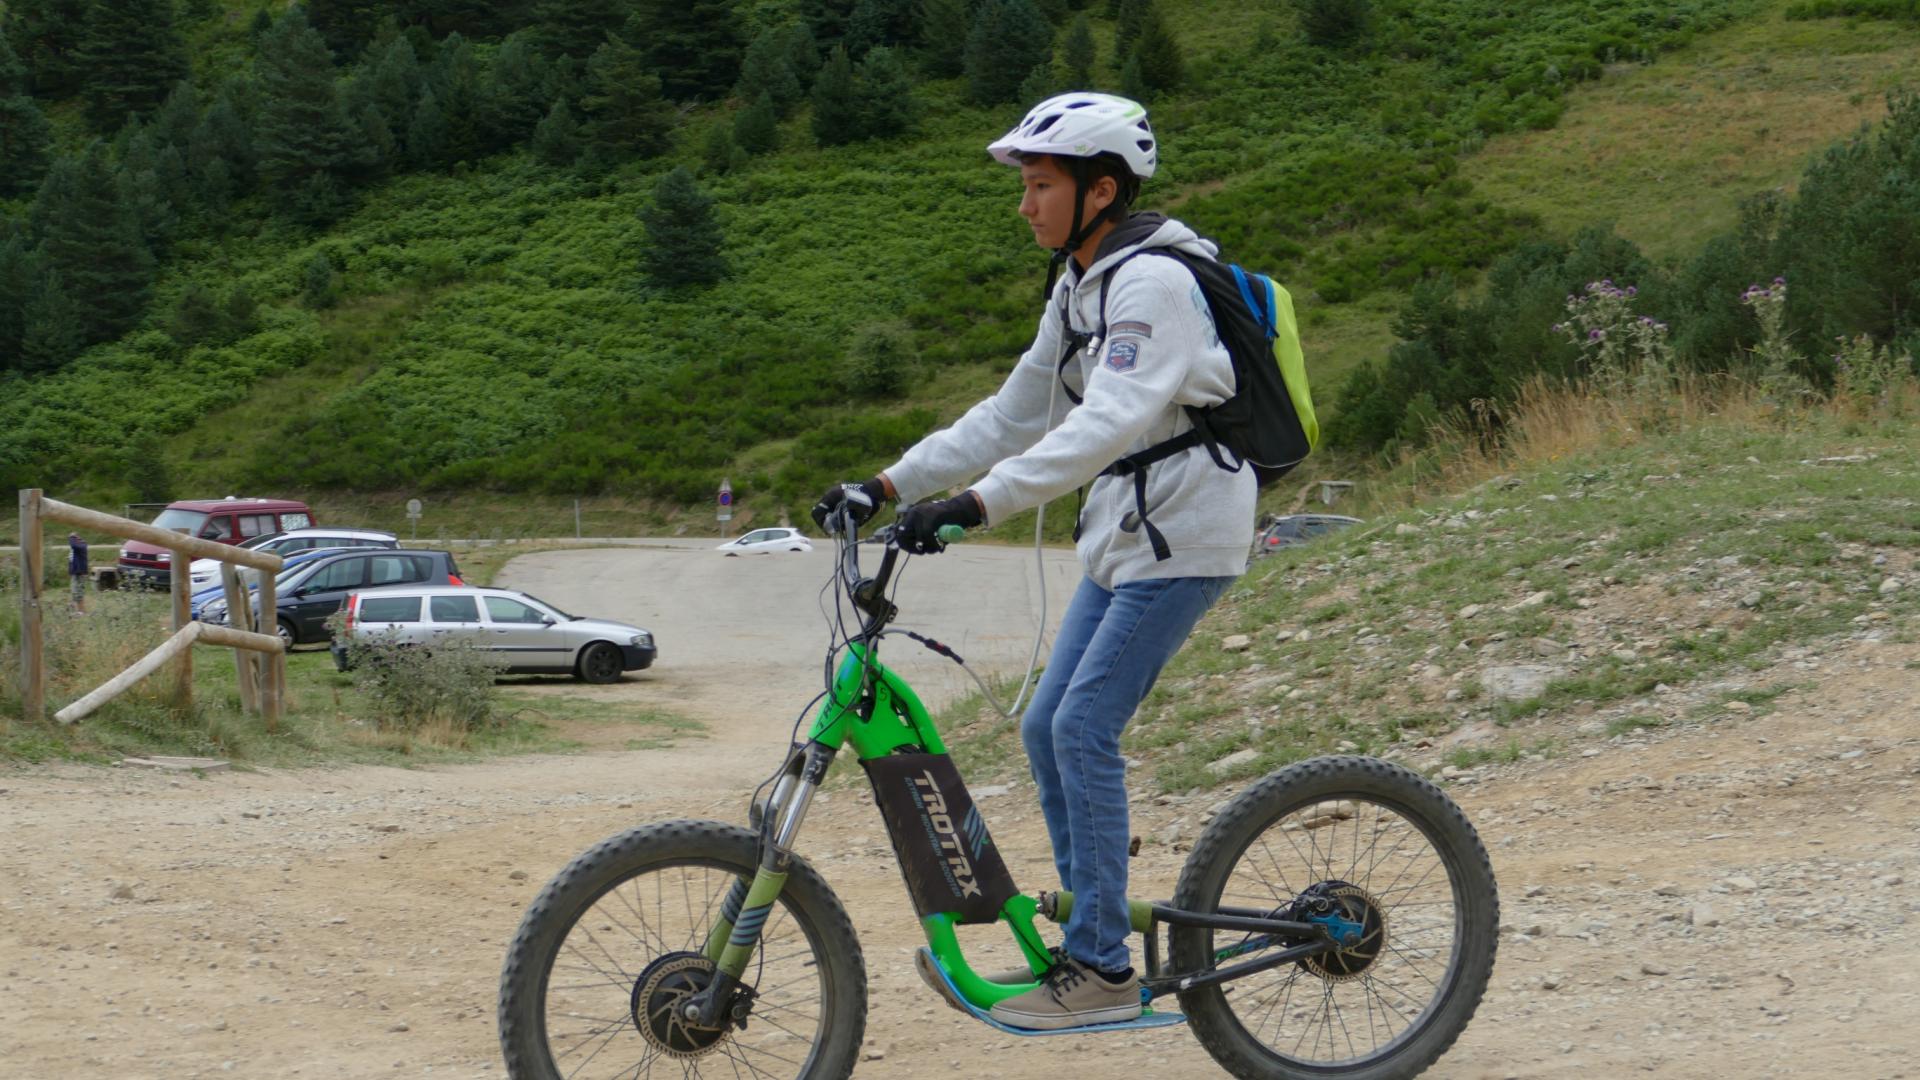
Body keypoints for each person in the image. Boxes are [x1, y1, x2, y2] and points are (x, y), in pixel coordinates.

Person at [811, 92, 1256, 1030]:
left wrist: (978, 503)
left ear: (1102, 189)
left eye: (1041, 185)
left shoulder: (1154, 284)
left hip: (1187, 534)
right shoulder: (1080, 282)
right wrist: (886, 485)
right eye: (1024, 186)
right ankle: (1088, 938)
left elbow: (1110, 421)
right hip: (1126, 534)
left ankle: (1101, 969)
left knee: (1084, 728)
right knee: (1045, 724)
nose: (1025, 205)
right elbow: (1014, 411)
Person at [67, 532, 89, 614]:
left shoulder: (82, 545)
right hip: (75, 572)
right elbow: (71, 560)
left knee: (79, 592)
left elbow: (73, 545)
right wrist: (71, 571)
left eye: (74, 539)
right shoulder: (76, 547)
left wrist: (71, 536)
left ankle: (81, 611)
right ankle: (73, 607)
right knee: (74, 590)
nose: (71, 541)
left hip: (80, 572)